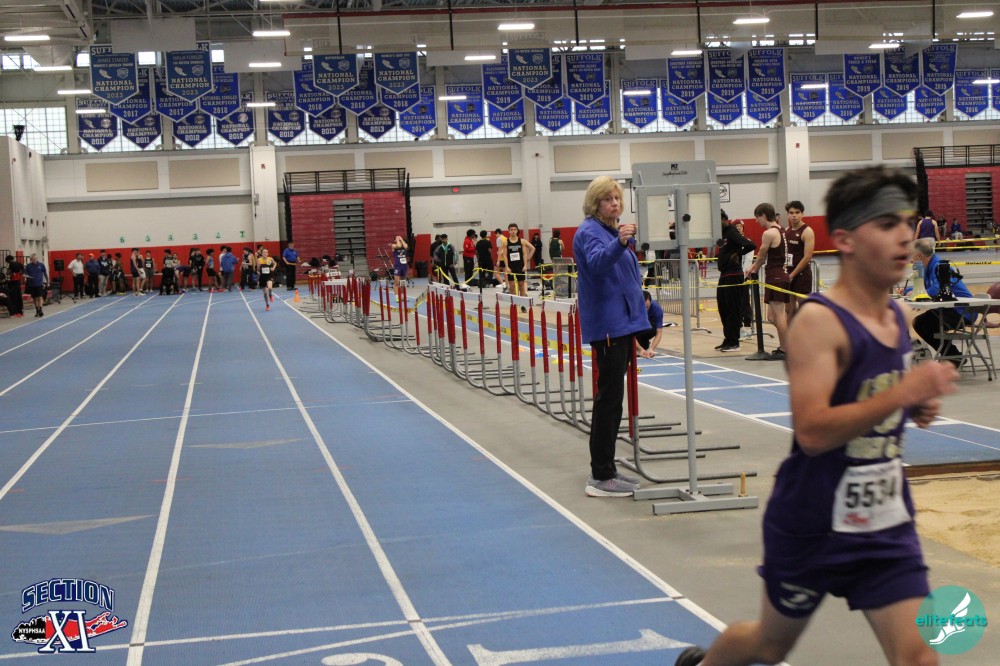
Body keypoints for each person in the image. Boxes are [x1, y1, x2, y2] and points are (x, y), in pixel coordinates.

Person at [675, 166, 959, 666]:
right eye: (886, 224)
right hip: (814, 521)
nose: (904, 237)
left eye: (906, 223)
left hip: (884, 520)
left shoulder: (897, 316)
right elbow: (812, 432)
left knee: (920, 657)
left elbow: (881, 397)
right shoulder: (819, 322)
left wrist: (915, 404)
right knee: (770, 644)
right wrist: (902, 393)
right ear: (845, 240)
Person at [573, 176, 646, 498]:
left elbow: (627, 278)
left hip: (622, 324)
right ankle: (600, 475)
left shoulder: (613, 232)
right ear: (595, 203)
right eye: (607, 199)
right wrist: (620, 244)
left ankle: (608, 470)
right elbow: (597, 263)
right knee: (609, 401)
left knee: (613, 401)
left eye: (617, 198)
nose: (614, 203)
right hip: (608, 326)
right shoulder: (590, 232)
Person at [911, 238, 974, 368]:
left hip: (963, 311)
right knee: (919, 322)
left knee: (924, 323)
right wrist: (907, 291)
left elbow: (936, 289)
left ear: (919, 255)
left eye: (911, 255)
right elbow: (923, 287)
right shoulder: (929, 267)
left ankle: (953, 357)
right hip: (948, 309)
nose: (911, 260)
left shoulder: (939, 265)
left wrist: (915, 295)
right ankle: (953, 356)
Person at [746, 203, 790, 360]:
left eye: (757, 217)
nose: (756, 221)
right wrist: (754, 267)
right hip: (777, 275)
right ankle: (790, 341)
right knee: (771, 316)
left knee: (779, 314)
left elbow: (761, 256)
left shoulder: (769, 233)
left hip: (777, 276)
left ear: (764, 215)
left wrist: (754, 269)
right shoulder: (781, 229)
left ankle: (786, 349)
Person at [716, 212, 756, 352]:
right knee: (723, 307)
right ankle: (728, 338)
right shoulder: (722, 234)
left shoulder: (731, 231)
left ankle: (734, 341)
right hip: (724, 273)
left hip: (734, 274)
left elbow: (750, 245)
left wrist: (737, 254)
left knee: (732, 309)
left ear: (723, 220)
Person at [784, 201, 815, 319]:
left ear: (802, 214)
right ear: (788, 215)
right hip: (788, 274)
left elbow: (807, 257)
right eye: (791, 213)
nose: (794, 215)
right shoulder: (787, 230)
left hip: (802, 275)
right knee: (789, 310)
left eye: (797, 212)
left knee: (804, 310)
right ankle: (790, 331)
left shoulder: (807, 231)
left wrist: (792, 275)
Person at [501, 223, 533, 297]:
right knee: (512, 286)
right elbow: (504, 255)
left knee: (521, 286)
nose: (513, 231)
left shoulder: (522, 241)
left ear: (517, 231)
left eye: (514, 229)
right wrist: (507, 267)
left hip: (520, 266)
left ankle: (522, 302)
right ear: (509, 231)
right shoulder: (506, 242)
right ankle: (514, 302)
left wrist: (526, 262)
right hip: (511, 267)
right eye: (511, 230)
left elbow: (528, 251)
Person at [635, 290, 665, 358]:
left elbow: (659, 332)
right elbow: (629, 333)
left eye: (647, 307)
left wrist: (651, 349)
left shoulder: (657, 309)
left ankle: (644, 343)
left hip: (646, 328)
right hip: (634, 329)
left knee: (651, 328)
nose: (644, 310)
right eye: (642, 307)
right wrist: (639, 349)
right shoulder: (632, 309)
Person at [23, 253, 48, 318]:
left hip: (39, 283)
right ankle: (37, 310)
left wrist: (47, 281)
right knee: (35, 298)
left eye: (34, 259)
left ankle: (40, 310)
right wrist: (25, 276)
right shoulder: (28, 266)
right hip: (32, 284)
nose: (33, 261)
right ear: (31, 260)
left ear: (36, 259)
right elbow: (25, 273)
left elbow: (45, 273)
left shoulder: (41, 265)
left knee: (40, 297)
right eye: (32, 260)